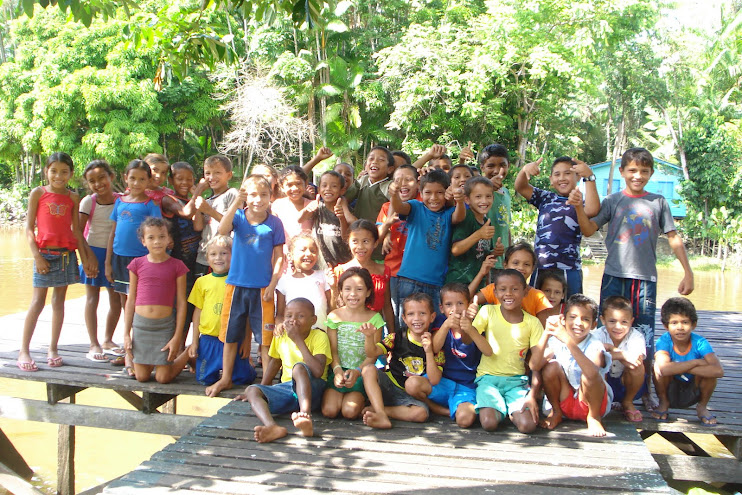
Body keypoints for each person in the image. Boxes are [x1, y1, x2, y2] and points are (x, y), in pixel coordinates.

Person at [569, 147, 694, 411]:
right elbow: (590, 229)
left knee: (644, 335)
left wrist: (688, 271)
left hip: (644, 279)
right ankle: (599, 384)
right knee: (605, 329)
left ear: (651, 173)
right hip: (614, 275)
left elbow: (672, 236)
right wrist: (579, 208)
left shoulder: (658, 202)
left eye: (644, 171)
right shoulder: (614, 200)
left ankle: (644, 391)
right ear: (623, 172)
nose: (638, 176)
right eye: (633, 170)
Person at [207, 175, 284, 397]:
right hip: (236, 286)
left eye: (263, 195)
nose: (258, 200)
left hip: (262, 289)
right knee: (230, 335)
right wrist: (235, 203)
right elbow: (222, 230)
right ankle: (226, 378)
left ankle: (265, 384)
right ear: (245, 196)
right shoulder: (239, 217)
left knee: (265, 340)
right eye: (252, 194)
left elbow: (279, 257)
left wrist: (273, 283)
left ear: (271, 196)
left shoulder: (274, 223)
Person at [18, 152, 92, 371]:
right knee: (37, 302)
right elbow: (29, 229)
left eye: (64, 172)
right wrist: (37, 256)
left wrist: (85, 258)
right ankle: (24, 350)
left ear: (70, 174)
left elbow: (77, 231)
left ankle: (53, 348)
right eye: (54, 171)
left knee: (59, 302)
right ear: (46, 172)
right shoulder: (38, 193)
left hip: (66, 255)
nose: (58, 176)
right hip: (44, 253)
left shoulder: (72, 197)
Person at [236, 297, 331, 443]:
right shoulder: (281, 335)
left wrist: (297, 339)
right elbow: (275, 361)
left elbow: (318, 371)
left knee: (299, 368)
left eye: (301, 316)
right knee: (251, 390)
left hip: (314, 391)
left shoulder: (319, 336)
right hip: (288, 390)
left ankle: (305, 417)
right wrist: (263, 387)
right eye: (289, 316)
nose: (294, 320)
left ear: (313, 320)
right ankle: (272, 426)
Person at [466, 270, 542, 433]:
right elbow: (467, 340)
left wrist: (532, 395)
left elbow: (537, 362)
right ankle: (503, 408)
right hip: (487, 380)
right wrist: (467, 324)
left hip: (517, 382)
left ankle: (509, 408)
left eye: (515, 289)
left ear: (525, 291)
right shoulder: (487, 311)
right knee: (488, 423)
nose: (508, 294)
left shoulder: (533, 323)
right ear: (495, 292)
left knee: (528, 426)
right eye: (502, 289)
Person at [106, 159, 162, 376]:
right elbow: (113, 233)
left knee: (140, 304)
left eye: (142, 179)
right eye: (133, 178)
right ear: (125, 178)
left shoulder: (151, 205)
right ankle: (128, 350)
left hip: (141, 262)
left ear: (149, 180)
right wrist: (107, 263)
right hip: (120, 259)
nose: (137, 182)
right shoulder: (120, 202)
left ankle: (142, 351)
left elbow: (157, 234)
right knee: (124, 305)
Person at [390, 169, 466, 329]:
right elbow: (399, 207)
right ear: (420, 192)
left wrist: (459, 201)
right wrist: (394, 195)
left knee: (432, 328)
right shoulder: (416, 207)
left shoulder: (448, 213)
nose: (433, 198)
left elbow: (459, 217)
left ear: (447, 193)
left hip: (435, 284)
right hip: (408, 280)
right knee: (405, 328)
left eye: (439, 192)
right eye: (428, 192)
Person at [514, 156, 599, 296]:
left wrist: (589, 177)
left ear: (577, 177)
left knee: (571, 310)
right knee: (535, 309)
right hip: (541, 267)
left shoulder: (579, 201)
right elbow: (520, 187)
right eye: (557, 174)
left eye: (567, 173)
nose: (562, 178)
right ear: (551, 180)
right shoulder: (545, 198)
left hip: (569, 269)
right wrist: (525, 170)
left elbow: (592, 210)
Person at [531, 294, 612, 437]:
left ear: (594, 324)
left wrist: (568, 340)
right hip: (564, 401)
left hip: (591, 404)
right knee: (551, 367)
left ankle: (593, 418)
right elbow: (534, 366)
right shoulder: (556, 342)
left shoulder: (595, 344)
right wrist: (546, 333)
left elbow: (592, 374)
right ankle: (556, 412)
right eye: (573, 317)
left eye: (585, 319)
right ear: (563, 319)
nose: (578, 323)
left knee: (589, 374)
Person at [361, 293, 445, 429]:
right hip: (389, 385)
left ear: (432, 317)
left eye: (422, 313)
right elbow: (372, 353)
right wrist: (369, 338)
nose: (417, 318)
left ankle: (380, 410)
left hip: (409, 395)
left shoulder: (436, 345)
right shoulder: (397, 337)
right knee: (368, 369)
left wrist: (429, 351)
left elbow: (434, 379)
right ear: (404, 319)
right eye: (411, 314)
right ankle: (381, 414)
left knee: (421, 413)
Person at [123, 217, 191, 383]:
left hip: (164, 326)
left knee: (163, 378)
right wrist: (126, 333)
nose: (157, 242)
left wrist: (177, 337)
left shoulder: (177, 266)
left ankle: (187, 353)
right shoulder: (136, 264)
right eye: (151, 238)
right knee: (142, 377)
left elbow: (181, 303)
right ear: (143, 241)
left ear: (169, 239)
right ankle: (130, 361)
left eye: (162, 236)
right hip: (141, 326)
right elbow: (131, 299)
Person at [188, 235, 256, 388]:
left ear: (234, 255)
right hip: (209, 339)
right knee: (204, 379)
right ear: (207, 258)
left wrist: (246, 340)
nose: (218, 258)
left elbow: (246, 313)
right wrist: (194, 341)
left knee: (243, 378)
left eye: (224, 253)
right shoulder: (202, 282)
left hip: (234, 339)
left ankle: (246, 367)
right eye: (213, 254)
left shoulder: (239, 281)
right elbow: (197, 312)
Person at [322, 267, 385, 419]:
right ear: (341, 292)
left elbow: (373, 355)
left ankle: (366, 398)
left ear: (368, 292)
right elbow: (333, 350)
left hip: (361, 372)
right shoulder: (334, 316)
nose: (353, 294)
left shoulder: (375, 319)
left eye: (359, 289)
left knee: (349, 412)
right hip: (338, 370)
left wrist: (357, 371)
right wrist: (337, 371)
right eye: (347, 289)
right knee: (329, 411)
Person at [78, 159, 124, 363]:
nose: (98, 184)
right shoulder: (89, 201)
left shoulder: (121, 200)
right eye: (92, 181)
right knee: (91, 299)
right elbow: (78, 233)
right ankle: (93, 343)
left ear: (111, 177)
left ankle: (107, 340)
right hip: (93, 252)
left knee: (115, 299)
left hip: (115, 254)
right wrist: (86, 259)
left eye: (101, 178)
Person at [429, 283, 491, 428]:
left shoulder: (477, 322)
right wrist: (446, 325)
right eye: (449, 304)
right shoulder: (439, 321)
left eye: (460, 303)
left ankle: (453, 409)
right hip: (444, 382)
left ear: (468, 305)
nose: (455, 309)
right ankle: (442, 409)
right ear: (441, 308)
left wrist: (468, 328)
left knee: (464, 420)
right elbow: (434, 348)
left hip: (467, 386)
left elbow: (485, 350)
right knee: (413, 385)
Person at [653, 297, 723, 425]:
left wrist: (677, 367)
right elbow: (664, 369)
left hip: (692, 387)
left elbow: (718, 370)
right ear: (665, 326)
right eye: (674, 323)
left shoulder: (700, 342)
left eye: (685, 322)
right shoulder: (664, 341)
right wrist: (695, 362)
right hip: (671, 387)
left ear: (693, 324)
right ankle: (663, 402)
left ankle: (702, 407)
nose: (680, 327)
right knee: (657, 368)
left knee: (710, 375)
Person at [332, 220, 394, 334]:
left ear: (375, 243)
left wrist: (392, 335)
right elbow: (334, 307)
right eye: (355, 241)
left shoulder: (383, 271)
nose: (360, 247)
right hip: (347, 333)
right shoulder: (340, 271)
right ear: (348, 242)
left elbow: (387, 306)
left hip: (376, 332)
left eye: (366, 241)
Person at [591, 296, 646, 422]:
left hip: (626, 384)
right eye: (612, 321)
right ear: (603, 320)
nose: (618, 327)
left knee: (638, 367)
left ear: (631, 321)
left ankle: (627, 402)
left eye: (624, 322)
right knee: (597, 365)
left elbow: (636, 361)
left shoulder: (636, 337)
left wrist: (612, 351)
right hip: (603, 382)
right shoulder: (596, 335)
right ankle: (601, 401)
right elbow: (594, 359)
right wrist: (624, 355)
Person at [471, 242, 552, 326]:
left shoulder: (538, 297)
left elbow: (543, 330)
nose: (521, 267)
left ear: (532, 269)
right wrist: (481, 273)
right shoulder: (495, 289)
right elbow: (467, 300)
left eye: (526, 264)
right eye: (515, 263)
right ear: (505, 265)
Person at [376, 165, 419, 317]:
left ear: (418, 183)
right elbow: (377, 238)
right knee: (393, 315)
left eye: (408, 180)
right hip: (393, 271)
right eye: (398, 180)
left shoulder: (423, 204)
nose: (402, 184)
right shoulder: (387, 207)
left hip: (417, 273)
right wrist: (387, 228)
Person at [445, 176, 503, 287]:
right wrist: (479, 234)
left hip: (477, 283)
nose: (484, 201)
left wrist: (495, 253)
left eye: (488, 196)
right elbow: (456, 249)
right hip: (459, 283)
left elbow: (481, 254)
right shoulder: (467, 217)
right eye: (478, 197)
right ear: (467, 199)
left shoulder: (487, 222)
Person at [193, 155, 238, 279]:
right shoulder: (207, 200)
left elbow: (232, 225)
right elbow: (198, 227)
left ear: (229, 175)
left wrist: (208, 210)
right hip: (203, 256)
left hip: (224, 257)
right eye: (208, 173)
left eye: (217, 173)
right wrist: (198, 194)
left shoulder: (232, 194)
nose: (211, 177)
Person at [276, 235, 331, 331]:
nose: (309, 254)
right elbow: (280, 314)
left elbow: (332, 308)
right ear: (290, 256)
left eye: (313, 251)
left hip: (321, 335)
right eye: (303, 250)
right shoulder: (284, 281)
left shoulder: (323, 276)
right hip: (294, 336)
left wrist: (334, 288)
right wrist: (280, 325)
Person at [300, 170, 353, 267]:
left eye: (334, 186)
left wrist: (342, 217)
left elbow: (345, 236)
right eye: (324, 186)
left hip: (342, 263)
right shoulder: (317, 207)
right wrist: (308, 209)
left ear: (342, 190)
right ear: (319, 189)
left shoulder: (345, 210)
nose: (328, 189)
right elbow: (300, 219)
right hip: (320, 264)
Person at [479, 144, 512, 270]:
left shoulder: (507, 193)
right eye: (491, 166)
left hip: (502, 263)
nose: (497, 171)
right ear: (482, 167)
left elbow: (506, 227)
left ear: (508, 165)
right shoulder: (478, 191)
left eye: (502, 165)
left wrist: (509, 256)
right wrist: (487, 188)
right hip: (484, 262)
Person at [272, 165, 313, 242]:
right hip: (284, 252)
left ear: (306, 183)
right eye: (289, 185)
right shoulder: (277, 206)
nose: (295, 188)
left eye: (298, 183)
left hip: (307, 252)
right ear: (281, 186)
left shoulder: (311, 205)